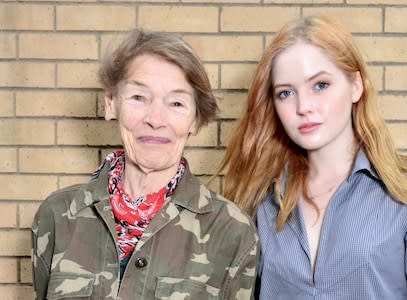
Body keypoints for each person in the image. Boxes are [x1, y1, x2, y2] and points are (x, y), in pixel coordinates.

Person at [216, 16, 407, 299]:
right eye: (286, 93)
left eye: (320, 85)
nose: (304, 107)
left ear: (356, 85)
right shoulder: (260, 198)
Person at [31, 30, 258, 299]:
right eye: (139, 97)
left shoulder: (231, 231)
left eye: (176, 103)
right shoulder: (57, 217)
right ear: (111, 104)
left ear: (196, 120)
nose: (155, 118)